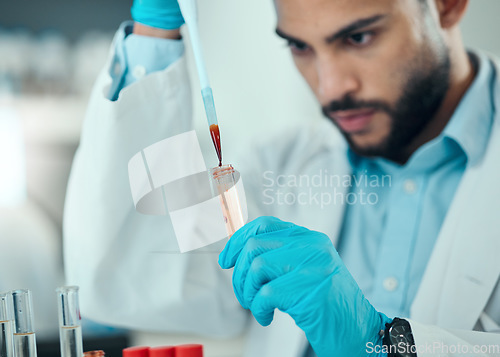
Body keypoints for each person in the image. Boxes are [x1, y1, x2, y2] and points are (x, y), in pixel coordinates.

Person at [64, 0, 500, 356]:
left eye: (359, 37)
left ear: (447, 5)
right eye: (300, 46)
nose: (330, 89)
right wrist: (153, 34)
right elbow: (129, 277)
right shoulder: (285, 165)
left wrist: (386, 343)